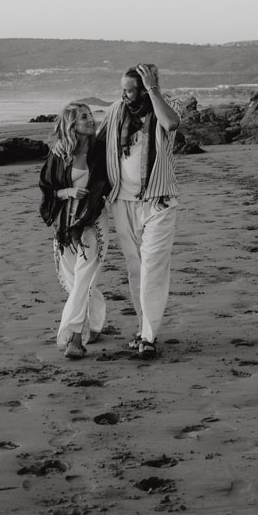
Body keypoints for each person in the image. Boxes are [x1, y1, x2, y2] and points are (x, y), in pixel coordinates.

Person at [97, 63, 180, 359]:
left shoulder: (165, 105)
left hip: (158, 200)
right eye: (123, 89)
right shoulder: (117, 111)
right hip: (122, 202)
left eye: (131, 90)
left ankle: (148, 335)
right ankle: (142, 327)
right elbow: (96, 141)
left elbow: (171, 124)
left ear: (145, 89)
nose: (125, 95)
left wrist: (153, 89)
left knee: (152, 267)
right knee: (135, 268)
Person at [38, 101, 110, 359]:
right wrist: (67, 191)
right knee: (74, 281)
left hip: (93, 221)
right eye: (83, 117)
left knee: (83, 279)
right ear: (71, 125)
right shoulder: (60, 153)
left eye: (90, 115)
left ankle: (74, 338)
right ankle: (96, 322)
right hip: (65, 225)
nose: (90, 120)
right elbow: (47, 189)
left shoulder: (101, 150)